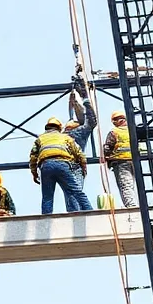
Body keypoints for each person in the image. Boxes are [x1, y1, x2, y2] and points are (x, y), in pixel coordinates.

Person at [29, 118, 92, 215]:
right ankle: (90, 210)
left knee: (47, 196)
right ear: (59, 128)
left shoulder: (40, 139)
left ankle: (46, 218)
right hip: (63, 164)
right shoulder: (65, 137)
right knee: (76, 191)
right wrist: (83, 167)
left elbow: (33, 157)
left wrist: (34, 173)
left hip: (46, 166)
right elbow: (79, 152)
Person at [62, 82, 97, 210]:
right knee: (73, 192)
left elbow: (89, 121)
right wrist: (84, 98)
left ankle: (77, 214)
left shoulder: (70, 134)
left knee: (71, 193)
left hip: (68, 166)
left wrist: (79, 100)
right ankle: (80, 213)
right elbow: (91, 121)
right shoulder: (78, 132)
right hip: (73, 166)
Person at [103, 110, 138, 207]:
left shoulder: (114, 132)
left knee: (126, 185)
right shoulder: (133, 130)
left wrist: (107, 159)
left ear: (115, 122)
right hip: (135, 161)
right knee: (138, 185)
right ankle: (140, 205)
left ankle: (132, 206)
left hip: (121, 162)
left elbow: (107, 148)